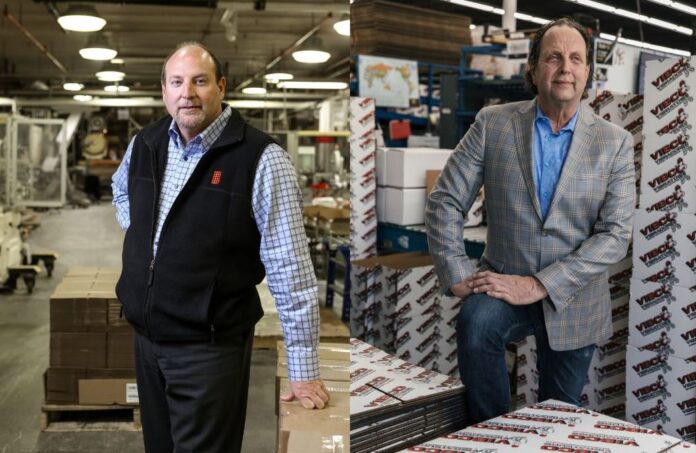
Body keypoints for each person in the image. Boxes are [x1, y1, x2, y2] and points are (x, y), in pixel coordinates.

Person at [111, 42, 329, 453]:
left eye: (199, 81)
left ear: (221, 86)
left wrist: (303, 370)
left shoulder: (261, 158)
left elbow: (291, 269)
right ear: (164, 91)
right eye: (176, 82)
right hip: (147, 340)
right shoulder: (146, 143)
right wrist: (144, 235)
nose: (187, 93)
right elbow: (120, 191)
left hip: (209, 349)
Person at [425, 18, 635, 424]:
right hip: (503, 283)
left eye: (575, 59)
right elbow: (446, 200)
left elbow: (614, 236)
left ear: (587, 71)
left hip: (574, 297)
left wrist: (540, 284)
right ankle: (489, 433)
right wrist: (454, 271)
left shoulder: (615, 143)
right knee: (475, 322)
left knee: (556, 414)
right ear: (535, 69)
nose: (565, 68)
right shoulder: (494, 124)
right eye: (553, 57)